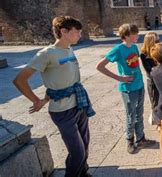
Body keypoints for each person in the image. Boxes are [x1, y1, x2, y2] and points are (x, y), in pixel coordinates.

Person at [13, 16, 93, 177]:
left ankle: (83, 173)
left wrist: (46, 98)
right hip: (63, 111)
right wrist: (36, 101)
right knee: (77, 152)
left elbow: (57, 82)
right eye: (77, 32)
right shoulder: (46, 54)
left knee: (84, 146)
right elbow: (19, 80)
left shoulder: (69, 49)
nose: (80, 35)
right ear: (63, 31)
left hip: (79, 104)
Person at [96, 24, 154, 154]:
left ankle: (141, 138)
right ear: (127, 35)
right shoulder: (118, 49)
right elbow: (99, 66)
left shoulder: (134, 47)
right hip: (128, 88)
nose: (138, 36)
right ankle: (130, 140)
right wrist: (119, 78)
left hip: (139, 85)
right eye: (135, 34)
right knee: (130, 115)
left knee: (139, 113)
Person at [140, 32, 162, 128]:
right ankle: (157, 121)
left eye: (159, 40)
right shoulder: (144, 55)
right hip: (153, 81)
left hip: (161, 79)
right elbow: (149, 70)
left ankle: (161, 119)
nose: (159, 42)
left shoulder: (159, 50)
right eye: (157, 40)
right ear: (151, 42)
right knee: (155, 101)